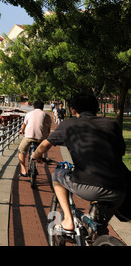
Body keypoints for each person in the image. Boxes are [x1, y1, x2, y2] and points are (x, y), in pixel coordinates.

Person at [32, 92, 127, 235]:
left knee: (57, 174)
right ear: (97, 109)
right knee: (98, 229)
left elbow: (44, 145)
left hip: (88, 185)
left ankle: (68, 221)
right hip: (119, 188)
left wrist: (35, 155)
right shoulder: (112, 124)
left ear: (73, 110)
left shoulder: (68, 125)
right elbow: (121, 151)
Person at [17, 100, 52, 177]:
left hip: (29, 136)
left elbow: (24, 124)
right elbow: (48, 127)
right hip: (41, 138)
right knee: (42, 147)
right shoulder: (46, 115)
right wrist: (47, 134)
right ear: (42, 107)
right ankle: (39, 157)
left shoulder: (29, 114)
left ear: (33, 107)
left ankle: (23, 170)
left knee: (21, 150)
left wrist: (21, 131)